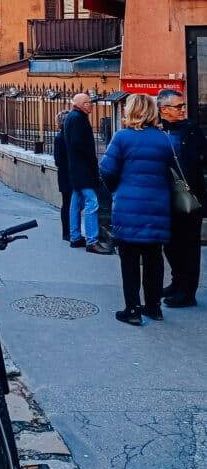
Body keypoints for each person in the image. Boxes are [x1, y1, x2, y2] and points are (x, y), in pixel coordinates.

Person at [100, 94, 173, 325]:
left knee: (129, 261)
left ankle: (132, 310)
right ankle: (153, 306)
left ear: (130, 111)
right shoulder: (164, 139)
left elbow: (107, 170)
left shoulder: (122, 138)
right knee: (154, 257)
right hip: (158, 206)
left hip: (128, 206)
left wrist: (116, 189)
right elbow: (171, 173)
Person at [157, 87, 206, 307]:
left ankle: (188, 292)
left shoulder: (191, 130)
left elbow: (199, 160)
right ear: (163, 109)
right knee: (170, 243)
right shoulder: (158, 130)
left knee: (189, 246)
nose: (182, 110)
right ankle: (177, 282)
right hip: (165, 197)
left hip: (189, 197)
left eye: (183, 105)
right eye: (178, 106)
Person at [63, 93, 113, 254]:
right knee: (92, 203)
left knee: (76, 203)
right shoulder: (78, 119)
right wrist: (92, 164)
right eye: (87, 103)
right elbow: (80, 145)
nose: (90, 105)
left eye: (90, 102)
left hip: (76, 169)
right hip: (83, 170)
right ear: (78, 104)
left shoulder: (72, 117)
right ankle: (92, 241)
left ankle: (75, 237)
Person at [53, 110, 71, 242]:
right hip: (66, 175)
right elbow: (58, 160)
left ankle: (68, 231)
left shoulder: (62, 137)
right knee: (67, 204)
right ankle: (67, 231)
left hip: (64, 175)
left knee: (68, 203)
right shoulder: (61, 138)